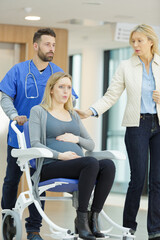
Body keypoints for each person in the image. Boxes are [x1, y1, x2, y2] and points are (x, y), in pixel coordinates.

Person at [76, 24, 160, 240]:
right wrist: (91, 111)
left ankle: (155, 230)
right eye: (133, 41)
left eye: (139, 41)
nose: (135, 45)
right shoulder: (126, 66)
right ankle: (128, 228)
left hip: (158, 125)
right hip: (136, 125)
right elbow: (111, 95)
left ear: (151, 41)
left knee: (157, 180)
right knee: (138, 178)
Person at [0, 28, 77, 240]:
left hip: (46, 140)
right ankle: (8, 220)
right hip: (20, 137)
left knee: (38, 182)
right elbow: (5, 96)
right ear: (36, 46)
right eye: (47, 44)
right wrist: (14, 115)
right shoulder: (18, 70)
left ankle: (34, 229)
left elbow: (69, 99)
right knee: (11, 180)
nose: (51, 49)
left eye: (53, 45)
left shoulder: (58, 72)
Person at [29, 71, 115, 240]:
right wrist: (61, 156)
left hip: (76, 165)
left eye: (68, 87)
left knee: (108, 165)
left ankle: (93, 218)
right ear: (51, 89)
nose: (65, 91)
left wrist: (75, 138)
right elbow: (35, 144)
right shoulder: (38, 111)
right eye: (61, 87)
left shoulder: (73, 114)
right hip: (49, 166)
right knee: (90, 163)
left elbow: (90, 144)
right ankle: (81, 220)